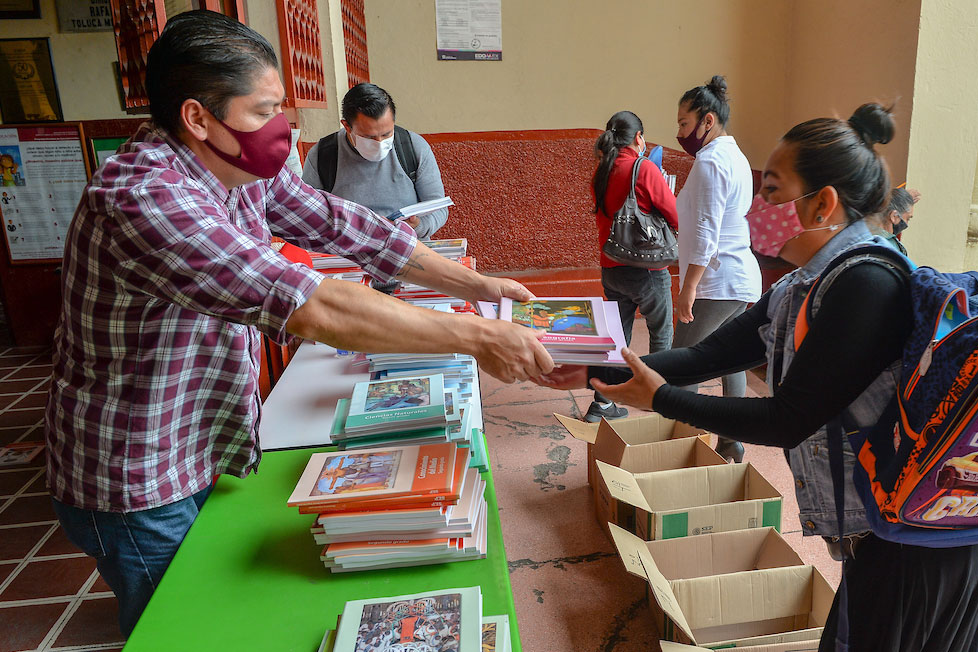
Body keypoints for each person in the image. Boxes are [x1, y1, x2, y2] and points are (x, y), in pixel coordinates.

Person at [43, 11, 552, 637]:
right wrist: (478, 337)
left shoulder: (240, 169)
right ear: (198, 117)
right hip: (136, 472)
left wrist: (476, 286)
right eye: (263, 111)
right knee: (185, 631)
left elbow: (345, 225)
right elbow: (314, 305)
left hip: (201, 442)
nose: (283, 127)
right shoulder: (145, 197)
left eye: (280, 106)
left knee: (224, 614)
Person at [538, 103, 978, 652]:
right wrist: (598, 368)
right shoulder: (802, 283)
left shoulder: (867, 285)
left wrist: (662, 399)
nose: (758, 207)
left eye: (773, 190)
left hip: (922, 551)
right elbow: (712, 354)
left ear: (823, 203)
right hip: (879, 536)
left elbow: (788, 420)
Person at [672, 75, 761, 462]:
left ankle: (679, 447)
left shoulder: (710, 161)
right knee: (730, 360)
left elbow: (707, 230)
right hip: (737, 277)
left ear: (707, 120)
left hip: (715, 279)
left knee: (679, 365)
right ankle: (729, 442)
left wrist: (689, 287)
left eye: (684, 123)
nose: (679, 133)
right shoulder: (735, 156)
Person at [585, 110, 679, 422]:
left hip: (612, 268)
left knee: (617, 336)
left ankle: (602, 404)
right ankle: (656, 399)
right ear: (639, 137)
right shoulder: (644, 168)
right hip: (647, 269)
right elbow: (674, 215)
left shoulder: (601, 171)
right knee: (661, 332)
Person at [302, 82, 449, 240]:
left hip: (408, 246)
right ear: (347, 126)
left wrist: (417, 226)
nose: (379, 142)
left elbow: (439, 208)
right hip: (349, 250)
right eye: (369, 137)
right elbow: (308, 214)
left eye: (387, 134)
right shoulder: (323, 155)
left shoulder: (412, 147)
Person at [870, 186, 916, 255]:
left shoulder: (864, 236)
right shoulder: (889, 246)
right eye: (907, 218)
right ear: (894, 216)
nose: (906, 224)